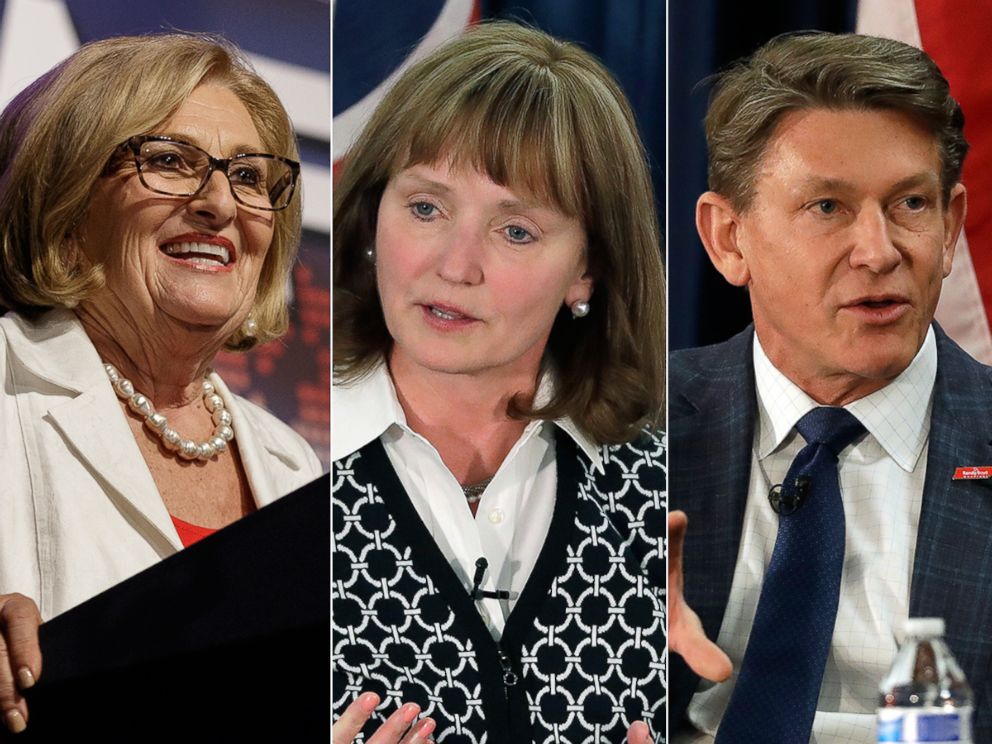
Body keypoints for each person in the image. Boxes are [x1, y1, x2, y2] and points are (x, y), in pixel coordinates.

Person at [332, 21, 666, 744]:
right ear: (372, 216)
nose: (456, 266)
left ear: (587, 269)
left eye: (515, 231)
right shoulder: (278, 463)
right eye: (426, 208)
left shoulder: (666, 486)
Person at [668, 31, 992, 743]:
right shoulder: (630, 431)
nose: (878, 252)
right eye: (827, 208)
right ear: (728, 239)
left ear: (951, 226)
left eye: (910, 203)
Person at [0, 33, 323, 734]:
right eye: (170, 162)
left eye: (248, 177)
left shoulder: (295, 468)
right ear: (68, 198)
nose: (220, 204)